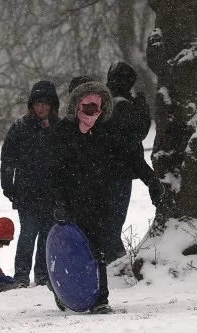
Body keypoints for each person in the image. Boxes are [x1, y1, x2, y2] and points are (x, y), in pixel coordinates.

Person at [48, 80, 116, 314]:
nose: (93, 111)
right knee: (68, 250)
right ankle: (62, 290)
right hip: (68, 202)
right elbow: (53, 171)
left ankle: (100, 299)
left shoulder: (103, 134)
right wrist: (58, 202)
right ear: (77, 106)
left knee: (97, 251)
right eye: (88, 106)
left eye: (97, 106)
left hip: (96, 202)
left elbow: (108, 166)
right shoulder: (60, 133)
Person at [0, 81, 60, 287]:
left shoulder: (59, 128)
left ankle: (42, 275)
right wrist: (7, 186)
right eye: (37, 104)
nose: (41, 108)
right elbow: (7, 159)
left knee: (46, 236)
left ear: (52, 105)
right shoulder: (20, 127)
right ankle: (22, 275)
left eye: (45, 104)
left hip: (51, 194)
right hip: (26, 192)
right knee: (28, 234)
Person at [104, 62, 164, 262]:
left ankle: (113, 261)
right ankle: (115, 263)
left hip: (110, 172)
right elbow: (136, 136)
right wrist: (142, 108)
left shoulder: (109, 103)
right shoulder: (120, 105)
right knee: (112, 225)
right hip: (118, 174)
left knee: (110, 223)